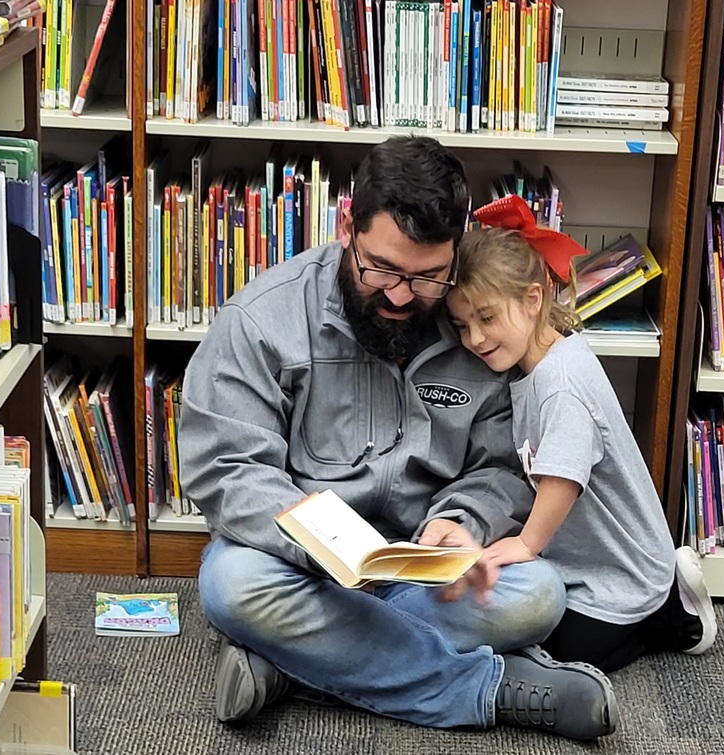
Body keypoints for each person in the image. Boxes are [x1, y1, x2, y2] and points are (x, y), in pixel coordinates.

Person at [178, 136, 616, 741]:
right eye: (381, 268)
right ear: (345, 227)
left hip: (428, 566)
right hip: (301, 564)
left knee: (538, 594)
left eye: (427, 277)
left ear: (454, 253)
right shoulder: (261, 320)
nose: (401, 295)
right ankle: (488, 689)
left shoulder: (474, 321)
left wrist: (466, 521)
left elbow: (502, 465)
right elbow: (225, 467)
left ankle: (294, 667)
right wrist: (322, 542)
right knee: (230, 584)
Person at [444, 197, 718, 674]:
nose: (474, 339)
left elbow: (562, 480)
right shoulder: (536, 359)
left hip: (623, 573)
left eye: (486, 319)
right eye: (462, 325)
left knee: (557, 651)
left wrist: (527, 545)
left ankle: (673, 616)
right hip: (582, 558)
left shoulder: (562, 386)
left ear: (534, 300)